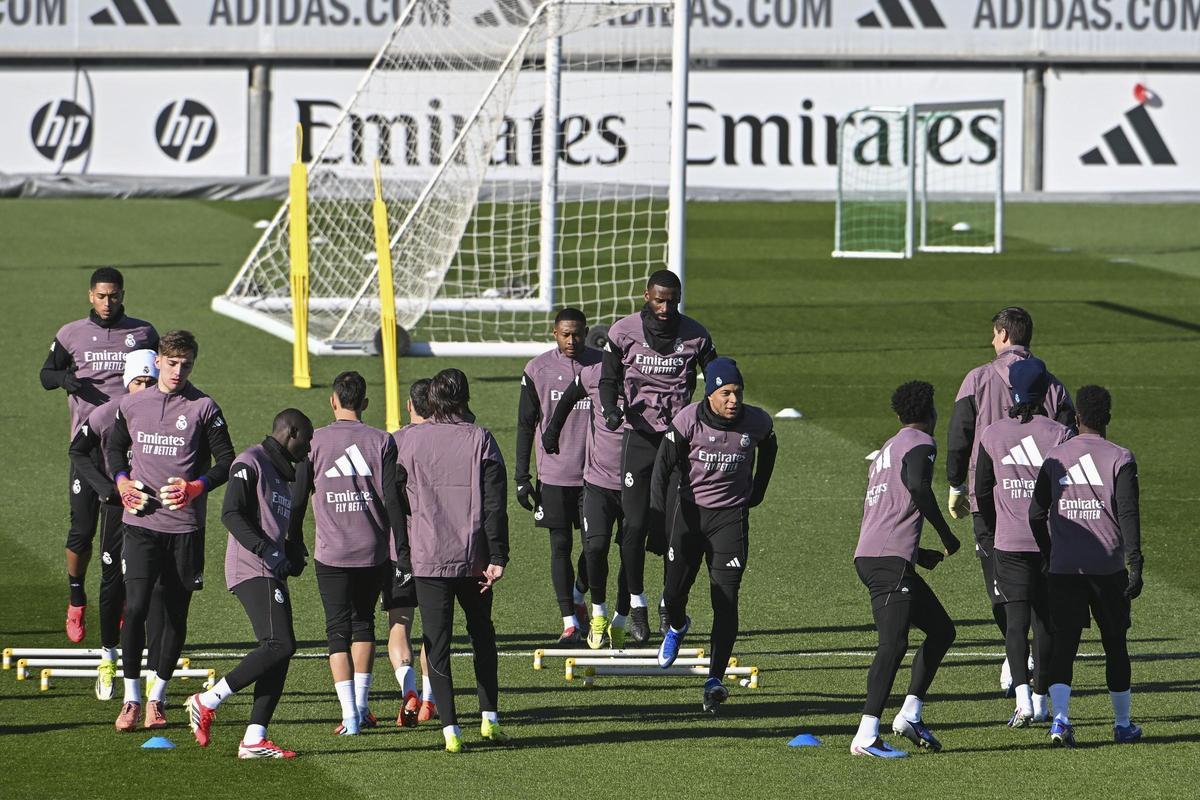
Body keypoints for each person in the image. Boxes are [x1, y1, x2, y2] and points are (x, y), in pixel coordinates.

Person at [106, 330, 234, 732]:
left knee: (175, 614)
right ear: (158, 360)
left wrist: (196, 487)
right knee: (138, 607)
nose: (179, 371)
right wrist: (123, 482)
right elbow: (112, 449)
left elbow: (227, 460)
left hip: (184, 529)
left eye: (187, 365)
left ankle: (157, 699)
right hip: (141, 524)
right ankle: (131, 699)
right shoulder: (133, 404)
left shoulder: (204, 407)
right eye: (172, 363)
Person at [945, 306, 1074, 694]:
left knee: (1001, 584)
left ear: (1003, 334)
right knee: (1042, 584)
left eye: (993, 333)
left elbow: (959, 435)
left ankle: (1015, 656)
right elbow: (1071, 438)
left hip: (989, 499)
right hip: (1042, 503)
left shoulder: (977, 378)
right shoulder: (1052, 384)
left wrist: (956, 485)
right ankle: (1029, 663)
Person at [184, 409, 314, 759]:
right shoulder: (250, 461)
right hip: (250, 567)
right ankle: (207, 700)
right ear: (291, 432)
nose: (310, 446)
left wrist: (289, 550)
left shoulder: (283, 474)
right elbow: (231, 513)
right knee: (279, 643)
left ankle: (254, 739)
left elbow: (274, 524)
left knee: (280, 651)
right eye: (308, 437)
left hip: (267, 568)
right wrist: (268, 553)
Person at [649, 359, 778, 712]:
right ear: (711, 394)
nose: (733, 400)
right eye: (726, 393)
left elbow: (770, 448)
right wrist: (658, 523)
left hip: (729, 520)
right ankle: (677, 626)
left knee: (726, 598)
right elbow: (662, 470)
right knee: (674, 593)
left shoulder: (758, 422)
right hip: (688, 516)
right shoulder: (688, 421)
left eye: (738, 392)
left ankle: (714, 679)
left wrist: (758, 492)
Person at [393, 369, 509, 754]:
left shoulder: (405, 442)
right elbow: (495, 504)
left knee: (436, 643)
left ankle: (450, 730)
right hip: (473, 559)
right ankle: (490, 718)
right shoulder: (481, 439)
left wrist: (404, 548)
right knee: (482, 636)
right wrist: (498, 556)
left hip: (428, 560)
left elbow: (391, 498)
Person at [598, 270, 717, 643]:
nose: (666, 308)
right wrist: (612, 409)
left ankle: (670, 603)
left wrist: (710, 419)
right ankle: (637, 603)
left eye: (673, 301)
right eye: (659, 299)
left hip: (677, 441)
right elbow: (607, 380)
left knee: (674, 531)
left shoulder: (697, 335)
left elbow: (716, 380)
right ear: (646, 295)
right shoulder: (622, 332)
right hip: (639, 439)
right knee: (633, 526)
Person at [41, 267, 158, 643]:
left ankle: (122, 603)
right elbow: (46, 374)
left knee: (131, 529)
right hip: (87, 448)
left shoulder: (143, 333)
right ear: (90, 295)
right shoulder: (71, 333)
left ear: (123, 295)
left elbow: (159, 377)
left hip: (130, 446)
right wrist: (65, 380)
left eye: (114, 295)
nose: (108, 302)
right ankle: (77, 599)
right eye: (101, 296)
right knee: (82, 530)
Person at [1029, 385, 1144, 748]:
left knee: (1064, 645)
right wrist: (1135, 562)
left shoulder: (1055, 456)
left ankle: (1060, 721)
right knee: (1115, 644)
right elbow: (1128, 513)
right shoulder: (1121, 457)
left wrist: (1050, 552)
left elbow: (1035, 512)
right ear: (1108, 418)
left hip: (1065, 569)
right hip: (1108, 567)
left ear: (1077, 418)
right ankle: (1122, 724)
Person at [293, 371, 407, 736]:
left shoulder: (315, 442)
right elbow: (393, 500)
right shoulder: (382, 441)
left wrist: (292, 539)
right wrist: (401, 550)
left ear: (333, 401)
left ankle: (350, 717)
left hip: (332, 553)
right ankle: (360, 705)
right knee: (364, 625)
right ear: (366, 404)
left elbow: (297, 497)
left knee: (336, 631)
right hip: (373, 552)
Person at [851, 381, 961, 758]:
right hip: (888, 561)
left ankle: (910, 714)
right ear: (930, 414)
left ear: (899, 415)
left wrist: (917, 553)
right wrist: (947, 535)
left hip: (879, 555)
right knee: (893, 644)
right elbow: (917, 487)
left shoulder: (888, 448)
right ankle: (866, 736)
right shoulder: (921, 443)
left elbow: (885, 511)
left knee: (943, 631)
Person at [975, 357, 1072, 727]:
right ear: (1045, 388)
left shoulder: (993, 434)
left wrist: (994, 523)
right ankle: (1042, 699)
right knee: (1046, 623)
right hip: (1050, 542)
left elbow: (982, 490)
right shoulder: (1059, 433)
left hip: (1008, 540)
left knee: (1015, 621)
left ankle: (1021, 702)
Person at [67, 349, 166, 701]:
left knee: (156, 589)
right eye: (138, 381)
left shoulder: (169, 413)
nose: (144, 387)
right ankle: (108, 656)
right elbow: (78, 451)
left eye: (150, 381)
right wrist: (107, 491)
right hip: (118, 510)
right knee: (112, 583)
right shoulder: (108, 413)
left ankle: (153, 671)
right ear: (127, 382)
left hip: (157, 512)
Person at [516, 308, 601, 644]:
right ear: (554, 333)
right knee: (560, 545)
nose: (572, 340)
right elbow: (525, 425)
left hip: (596, 475)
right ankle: (569, 621)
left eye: (577, 334)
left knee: (595, 547)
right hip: (553, 475)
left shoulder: (601, 365)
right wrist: (522, 477)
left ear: (586, 331)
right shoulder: (537, 369)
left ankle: (579, 594)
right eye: (565, 334)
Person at [543, 351, 633, 649]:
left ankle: (621, 620)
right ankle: (599, 613)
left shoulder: (646, 379)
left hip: (638, 484)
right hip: (597, 481)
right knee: (594, 548)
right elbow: (567, 399)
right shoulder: (592, 375)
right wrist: (552, 431)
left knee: (630, 555)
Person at [386, 378, 437, 726]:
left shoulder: (391, 442)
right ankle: (431, 699)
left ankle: (408, 690)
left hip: (397, 548)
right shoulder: (448, 441)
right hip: (437, 547)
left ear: (409, 406)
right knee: (435, 627)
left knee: (399, 622)